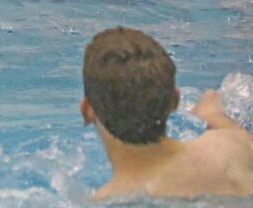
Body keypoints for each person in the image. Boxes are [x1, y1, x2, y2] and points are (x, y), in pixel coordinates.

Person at [81, 26, 253, 200]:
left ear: (86, 110)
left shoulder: (104, 200)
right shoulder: (230, 148)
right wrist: (211, 114)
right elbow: (226, 126)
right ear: (175, 100)